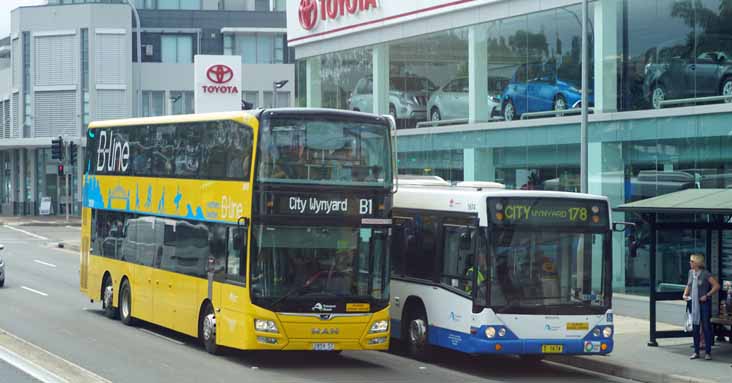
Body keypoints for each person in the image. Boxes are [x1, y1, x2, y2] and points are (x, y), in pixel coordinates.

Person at [682, 253, 721, 360]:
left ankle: (708, 352)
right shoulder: (691, 273)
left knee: (706, 327)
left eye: (692, 261)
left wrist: (707, 295)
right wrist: (685, 294)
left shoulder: (705, 274)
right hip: (693, 303)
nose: (690, 263)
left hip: (703, 304)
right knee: (695, 327)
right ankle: (696, 351)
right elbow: (689, 285)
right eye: (690, 261)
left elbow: (717, 286)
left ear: (697, 263)